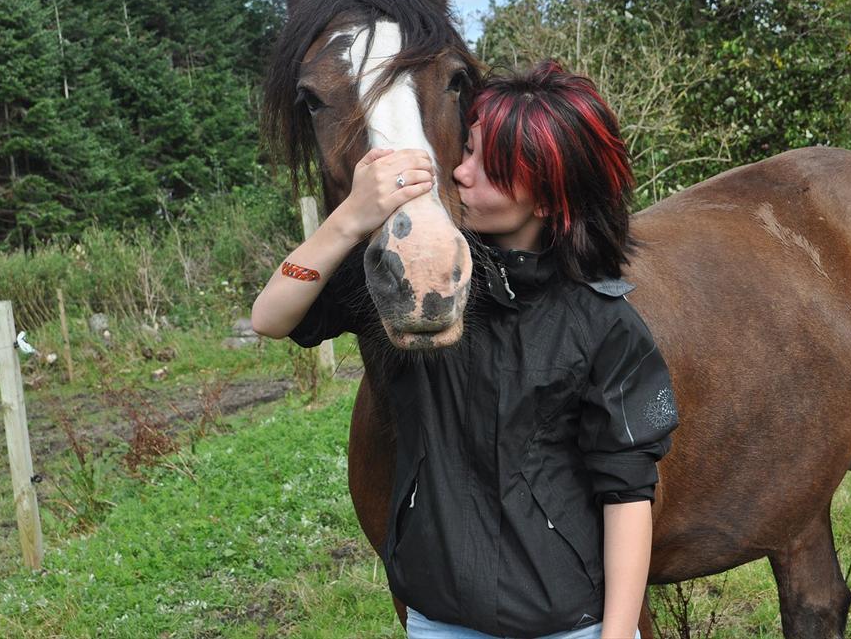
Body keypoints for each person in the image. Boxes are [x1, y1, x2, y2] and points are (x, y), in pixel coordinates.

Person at [251, 61, 678, 639]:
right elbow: (270, 315)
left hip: (564, 621)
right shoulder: (419, 286)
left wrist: (619, 633)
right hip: (438, 615)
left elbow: (627, 493)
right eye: (467, 149)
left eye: (490, 167)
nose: (460, 172)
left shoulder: (604, 323)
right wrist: (349, 219)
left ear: (550, 198)